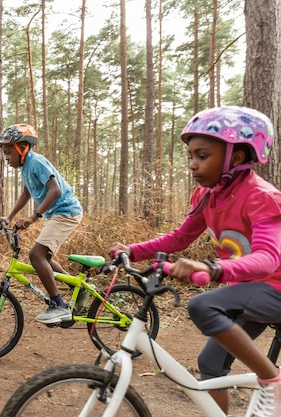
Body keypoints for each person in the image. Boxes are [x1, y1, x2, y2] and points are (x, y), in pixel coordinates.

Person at [108, 106, 281, 417]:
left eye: (203, 156)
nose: (192, 164)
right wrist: (132, 250)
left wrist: (213, 268)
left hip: (275, 288)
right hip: (248, 291)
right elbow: (179, 238)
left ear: (236, 158)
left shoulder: (260, 197)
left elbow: (268, 259)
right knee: (210, 364)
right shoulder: (207, 196)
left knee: (203, 306)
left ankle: (271, 381)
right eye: (190, 156)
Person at [0, 123, 84, 324]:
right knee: (44, 257)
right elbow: (26, 193)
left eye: (9, 153)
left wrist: (33, 217)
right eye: (5, 154)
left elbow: (55, 190)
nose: (7, 158)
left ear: (22, 148)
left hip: (66, 212)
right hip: (56, 214)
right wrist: (9, 217)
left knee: (36, 255)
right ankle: (78, 291)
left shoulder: (36, 162)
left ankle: (58, 305)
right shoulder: (26, 167)